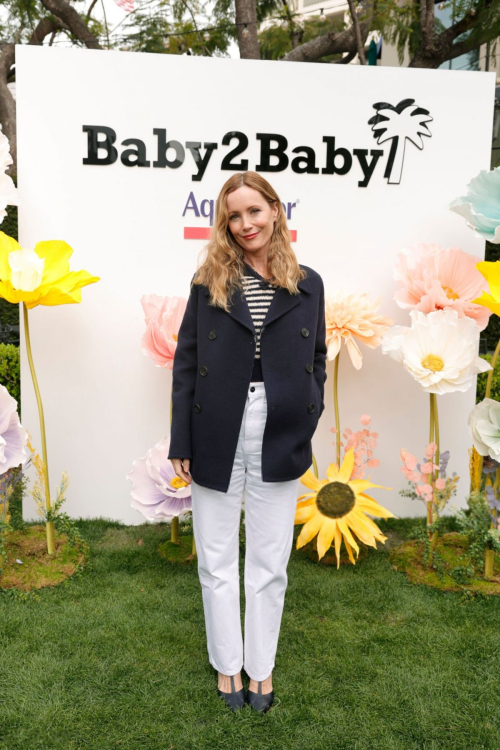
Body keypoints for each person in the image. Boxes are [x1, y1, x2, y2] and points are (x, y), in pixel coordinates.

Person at [168, 171, 327, 713]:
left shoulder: (308, 282)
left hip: (279, 423)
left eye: (254, 212)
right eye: (233, 216)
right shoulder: (208, 280)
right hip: (215, 421)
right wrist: (180, 438)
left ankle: (262, 669)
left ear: (275, 211)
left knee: (268, 559)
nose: (245, 224)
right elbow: (187, 362)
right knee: (215, 556)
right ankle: (228, 667)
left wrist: (308, 411)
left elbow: (317, 358)